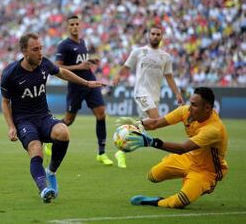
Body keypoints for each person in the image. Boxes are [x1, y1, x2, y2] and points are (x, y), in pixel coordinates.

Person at [0, 33, 105, 203]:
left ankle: (51, 171)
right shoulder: (10, 73)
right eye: (35, 49)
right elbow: (5, 102)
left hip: (43, 116)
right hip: (24, 121)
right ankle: (44, 189)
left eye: (41, 48)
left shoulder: (44, 64)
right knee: (36, 149)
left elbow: (62, 72)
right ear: (24, 51)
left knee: (63, 132)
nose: (40, 53)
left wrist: (86, 83)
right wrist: (11, 126)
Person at [121, 87, 228, 208]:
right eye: (190, 103)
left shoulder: (214, 129)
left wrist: (152, 142)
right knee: (153, 175)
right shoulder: (186, 112)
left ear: (207, 108)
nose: (189, 108)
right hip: (189, 158)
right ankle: (183, 175)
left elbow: (182, 148)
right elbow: (155, 123)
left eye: (194, 105)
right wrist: (136, 123)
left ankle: (156, 201)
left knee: (180, 201)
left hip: (206, 171)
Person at [113, 24, 184, 168]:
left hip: (154, 95)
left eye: (158, 34)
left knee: (147, 127)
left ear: (162, 36)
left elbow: (169, 77)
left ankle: (121, 151)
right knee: (155, 118)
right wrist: (118, 76)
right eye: (153, 34)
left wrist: (177, 93)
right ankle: (129, 127)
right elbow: (126, 67)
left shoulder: (166, 57)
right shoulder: (139, 52)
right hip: (141, 91)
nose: (155, 36)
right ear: (148, 35)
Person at [52, 15, 113, 166]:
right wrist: (79, 67)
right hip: (75, 86)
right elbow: (57, 67)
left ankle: (102, 152)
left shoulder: (83, 42)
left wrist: (90, 62)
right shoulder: (64, 46)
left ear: (81, 25)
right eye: (71, 24)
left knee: (101, 114)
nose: (74, 26)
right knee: (69, 120)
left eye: (77, 24)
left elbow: (82, 62)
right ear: (67, 27)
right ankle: (50, 133)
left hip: (91, 82)